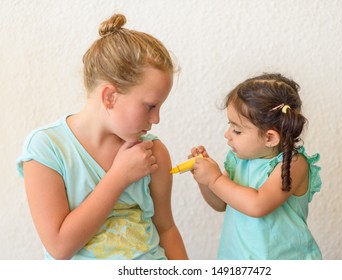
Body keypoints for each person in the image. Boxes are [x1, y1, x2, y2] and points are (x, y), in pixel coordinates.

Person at [16, 13, 188, 260]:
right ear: (110, 97)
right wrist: (118, 177)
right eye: (150, 106)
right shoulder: (47, 148)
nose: (156, 119)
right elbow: (59, 247)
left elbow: (167, 229)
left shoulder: (153, 153)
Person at [189, 73, 322, 259]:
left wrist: (215, 179)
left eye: (237, 130)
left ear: (270, 138)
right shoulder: (238, 160)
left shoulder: (293, 164)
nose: (227, 134)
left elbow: (258, 205)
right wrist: (204, 180)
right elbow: (220, 204)